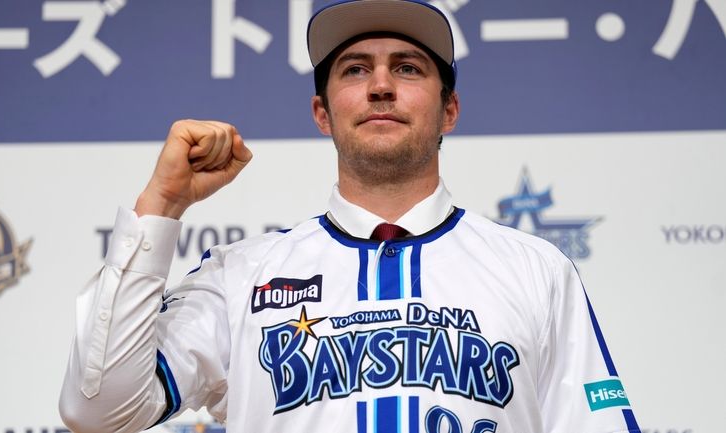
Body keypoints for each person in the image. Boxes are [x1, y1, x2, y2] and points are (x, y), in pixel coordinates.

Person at [59, 1, 641, 432]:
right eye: (356, 69)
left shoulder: (536, 270)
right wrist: (160, 209)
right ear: (322, 111)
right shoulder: (242, 275)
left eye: (409, 68)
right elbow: (98, 407)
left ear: (450, 111)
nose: (381, 86)